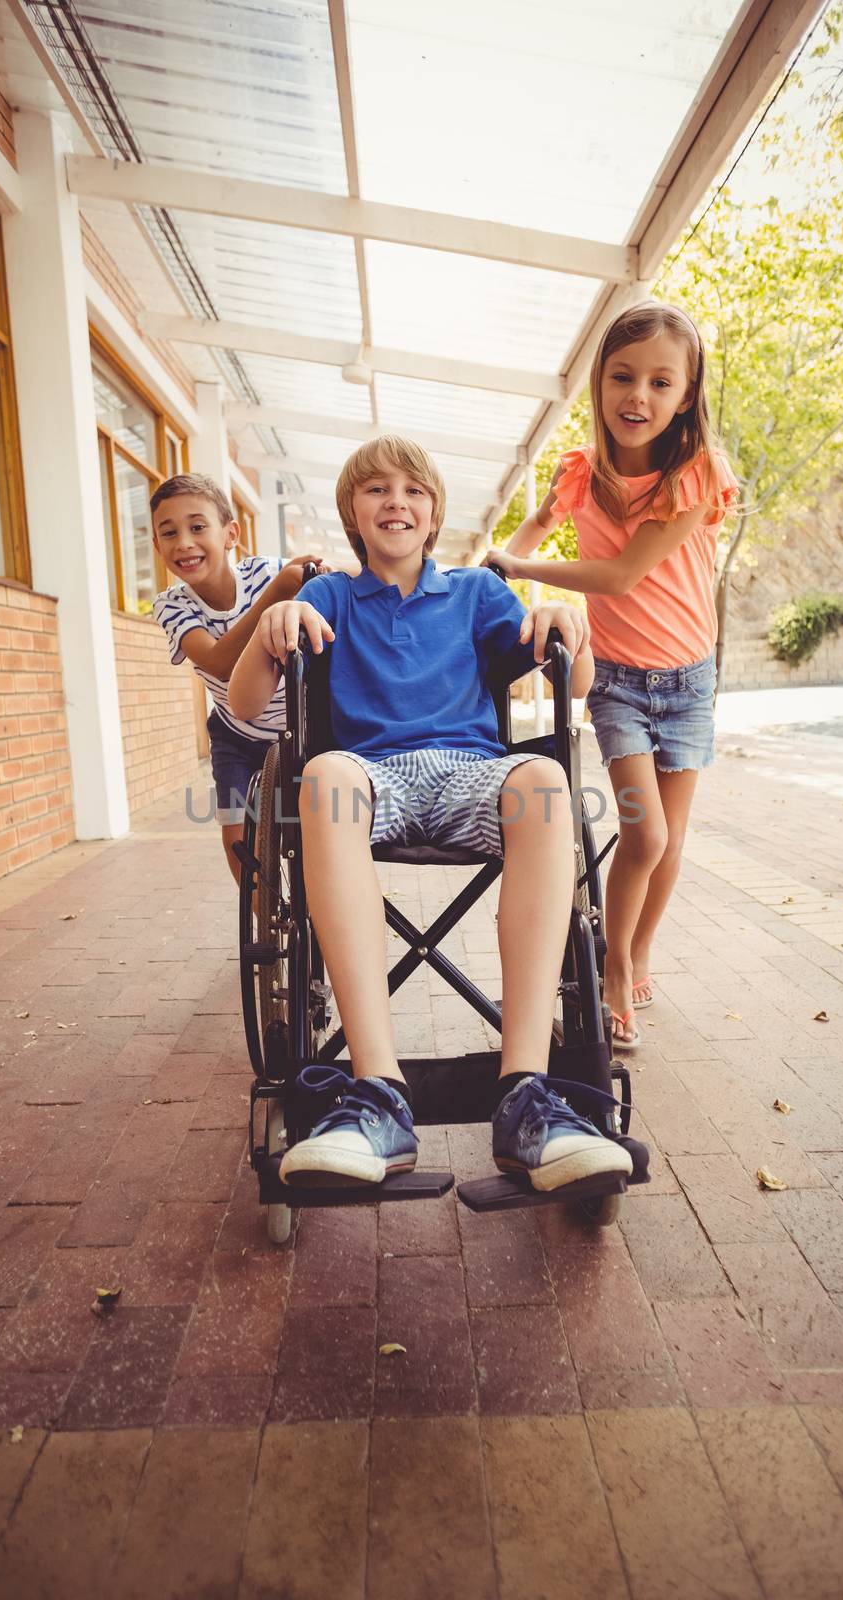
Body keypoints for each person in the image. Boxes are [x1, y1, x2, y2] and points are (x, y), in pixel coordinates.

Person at [228, 435, 634, 1194]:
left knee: (544, 780)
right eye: (376, 489)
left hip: (469, 771)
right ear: (353, 511)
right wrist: (269, 625)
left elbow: (570, 679)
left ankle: (525, 1093)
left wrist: (566, 626)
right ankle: (378, 1092)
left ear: (434, 509)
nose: (395, 502)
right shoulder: (327, 598)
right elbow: (250, 706)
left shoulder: (477, 593)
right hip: (366, 775)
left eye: (412, 490)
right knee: (321, 779)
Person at [489, 301, 739, 1052]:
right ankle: (611, 966)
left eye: (661, 383)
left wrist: (525, 566)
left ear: (686, 395)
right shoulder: (579, 472)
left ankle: (636, 952)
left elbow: (623, 574)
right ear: (598, 384)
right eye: (622, 377)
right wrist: (499, 566)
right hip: (621, 684)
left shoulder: (695, 474)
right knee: (644, 831)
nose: (639, 396)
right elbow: (527, 532)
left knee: (668, 843)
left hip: (690, 683)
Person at [150, 472, 325, 882]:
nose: (184, 543)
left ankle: (322, 905)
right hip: (237, 733)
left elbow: (328, 581)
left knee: (319, 824)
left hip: (303, 726)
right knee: (236, 832)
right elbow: (218, 663)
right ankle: (264, 918)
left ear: (230, 534)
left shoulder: (266, 572)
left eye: (197, 527)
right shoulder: (172, 605)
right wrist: (278, 595)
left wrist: (314, 572)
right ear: (157, 546)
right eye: (169, 533)